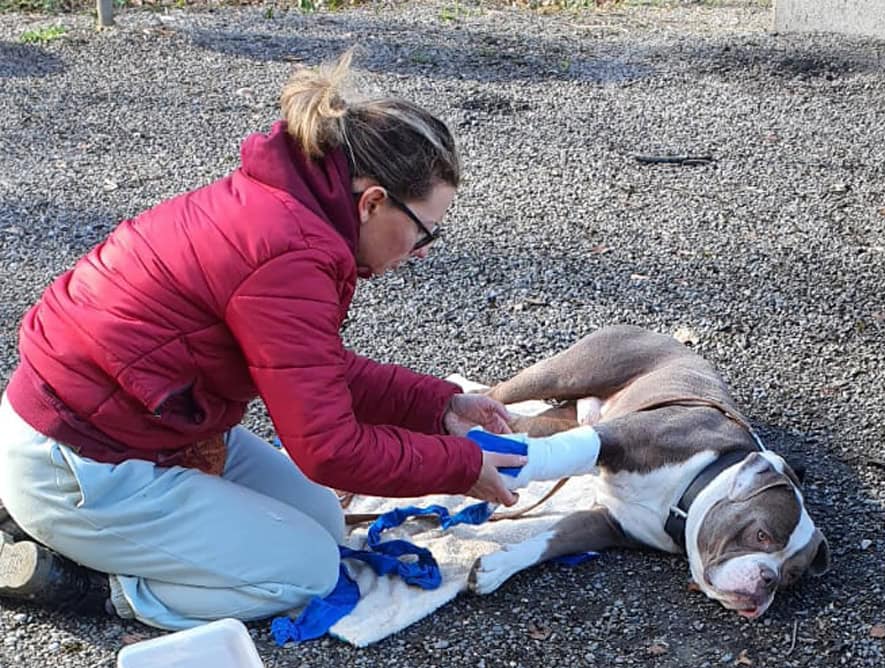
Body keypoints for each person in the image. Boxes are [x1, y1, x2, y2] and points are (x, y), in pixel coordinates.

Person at [0, 53, 527, 632]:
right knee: (306, 571)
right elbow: (330, 450)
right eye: (425, 231)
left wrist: (438, 407)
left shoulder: (284, 211)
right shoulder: (289, 256)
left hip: (133, 430)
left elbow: (311, 367)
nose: (422, 252)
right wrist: (460, 465)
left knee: (322, 521)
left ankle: (81, 531)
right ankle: (86, 582)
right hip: (79, 461)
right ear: (373, 203)